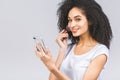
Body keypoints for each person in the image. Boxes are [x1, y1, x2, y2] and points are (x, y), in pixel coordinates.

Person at [35, 0, 113, 80]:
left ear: (90, 20)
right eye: (70, 20)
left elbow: (54, 70)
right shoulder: (68, 48)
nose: (72, 25)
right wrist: (62, 50)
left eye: (78, 19)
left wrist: (51, 67)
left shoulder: (100, 52)